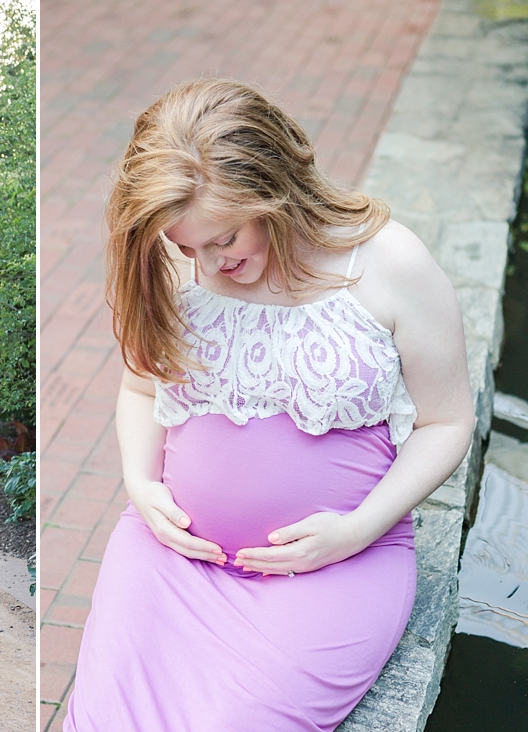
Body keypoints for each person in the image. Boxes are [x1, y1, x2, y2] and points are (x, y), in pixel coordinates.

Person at [64, 79, 476, 731]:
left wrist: (358, 529)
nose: (208, 263)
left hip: (332, 568)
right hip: (170, 560)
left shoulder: (389, 263)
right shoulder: (177, 268)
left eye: (224, 237)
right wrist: (141, 485)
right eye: (185, 245)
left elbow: (447, 422)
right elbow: (142, 387)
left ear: (274, 190)